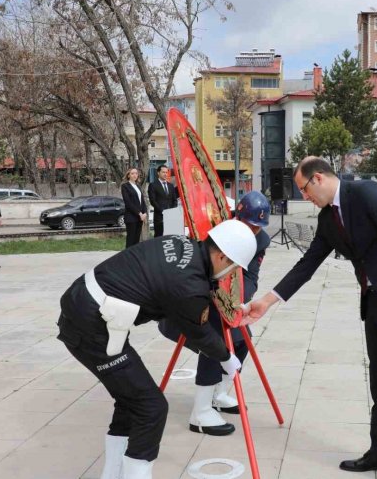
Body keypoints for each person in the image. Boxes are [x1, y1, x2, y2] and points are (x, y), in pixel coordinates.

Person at [243, 157, 377, 479]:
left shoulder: (367, 194)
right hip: (373, 301)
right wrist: (266, 301)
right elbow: (307, 265)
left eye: (303, 189)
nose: (303, 196)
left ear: (318, 178)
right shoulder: (328, 219)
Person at [57, 220, 257, 479]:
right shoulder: (187, 284)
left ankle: (113, 474)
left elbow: (196, 290)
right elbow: (199, 332)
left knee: (131, 401)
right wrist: (227, 358)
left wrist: (230, 307)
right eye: (232, 268)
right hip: (91, 325)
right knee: (151, 408)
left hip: (84, 305)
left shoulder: (182, 245)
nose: (231, 274)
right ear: (221, 256)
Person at [158, 191, 271, 436]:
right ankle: (200, 411)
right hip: (194, 302)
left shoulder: (261, 241)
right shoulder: (214, 227)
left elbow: (250, 277)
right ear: (236, 218)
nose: (253, 232)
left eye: (258, 227)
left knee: (242, 341)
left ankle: (218, 394)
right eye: (249, 225)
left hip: (227, 301)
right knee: (215, 342)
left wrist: (238, 298)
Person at [147, 165, 178, 238]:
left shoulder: (171, 186)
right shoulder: (153, 185)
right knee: (159, 237)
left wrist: (171, 211)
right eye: (163, 172)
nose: (165, 174)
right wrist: (163, 211)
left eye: (166, 172)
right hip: (159, 217)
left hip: (170, 217)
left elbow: (174, 200)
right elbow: (153, 201)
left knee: (170, 238)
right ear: (158, 173)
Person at [121, 168, 147, 248]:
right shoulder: (125, 186)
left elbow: (142, 201)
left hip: (140, 218)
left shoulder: (138, 186)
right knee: (131, 240)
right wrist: (139, 213)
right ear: (128, 175)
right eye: (132, 173)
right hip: (131, 217)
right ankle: (128, 259)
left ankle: (134, 258)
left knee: (136, 240)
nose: (135, 175)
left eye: (136, 173)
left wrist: (145, 213)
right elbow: (128, 203)